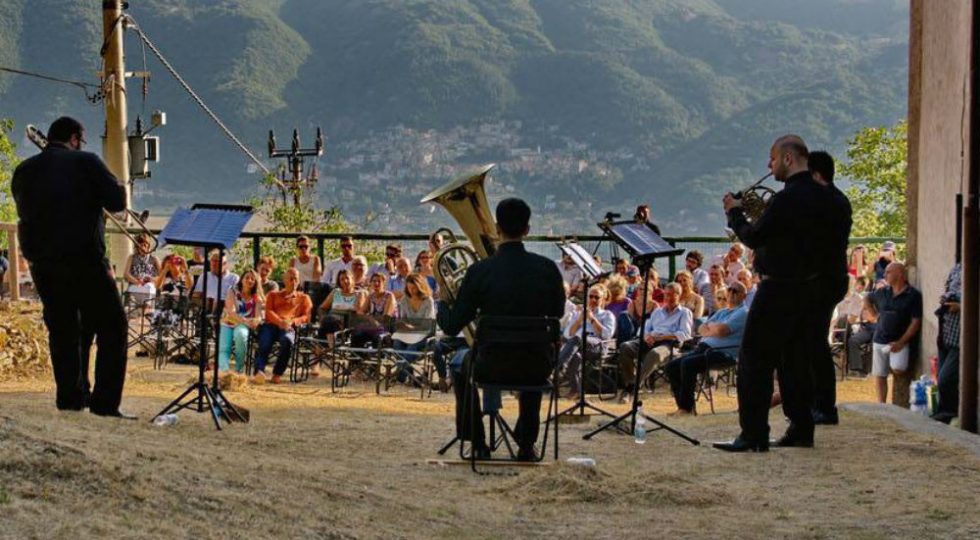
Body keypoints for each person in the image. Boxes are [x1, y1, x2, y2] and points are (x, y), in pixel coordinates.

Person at [714, 134, 833, 452]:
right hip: (811, 288)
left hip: (778, 286)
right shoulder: (825, 198)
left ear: (788, 159)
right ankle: (801, 428)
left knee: (754, 359)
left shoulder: (786, 199)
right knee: (795, 361)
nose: (770, 165)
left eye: (773, 158)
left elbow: (753, 236)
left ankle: (753, 433)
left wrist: (735, 212)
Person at [11, 116, 131, 417]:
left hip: (44, 265)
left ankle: (70, 400)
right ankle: (104, 404)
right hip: (85, 261)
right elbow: (117, 202)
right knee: (113, 327)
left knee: (63, 330)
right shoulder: (86, 162)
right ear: (75, 138)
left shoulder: (24, 170)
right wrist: (117, 184)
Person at [437, 198, 565, 461]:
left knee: (459, 365)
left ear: (497, 228)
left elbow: (451, 326)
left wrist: (443, 299)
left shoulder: (480, 271)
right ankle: (526, 444)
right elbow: (558, 313)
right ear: (527, 229)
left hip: (489, 365)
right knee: (532, 352)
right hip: (537, 367)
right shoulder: (547, 268)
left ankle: (477, 442)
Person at [806, 149, 853, 426]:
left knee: (815, 343)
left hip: (822, 279)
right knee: (813, 342)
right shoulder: (837, 199)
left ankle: (824, 406)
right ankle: (818, 403)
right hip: (829, 278)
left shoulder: (826, 201)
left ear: (814, 174)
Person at [663, 283, 749, 415]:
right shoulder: (722, 312)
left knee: (688, 364)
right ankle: (683, 407)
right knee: (671, 366)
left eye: (736, 291)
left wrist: (712, 328)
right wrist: (714, 328)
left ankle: (686, 408)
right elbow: (701, 328)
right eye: (730, 290)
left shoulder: (743, 312)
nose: (731, 293)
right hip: (704, 348)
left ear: (744, 296)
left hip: (724, 352)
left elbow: (722, 330)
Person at [617, 283, 693, 402]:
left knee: (655, 354)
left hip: (669, 343)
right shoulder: (657, 312)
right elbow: (643, 329)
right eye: (666, 295)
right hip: (650, 339)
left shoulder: (684, 312)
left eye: (671, 295)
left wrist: (662, 337)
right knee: (625, 346)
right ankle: (630, 382)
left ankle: (632, 388)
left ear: (678, 295)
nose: (667, 298)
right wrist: (647, 336)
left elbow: (685, 334)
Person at [869, 262, 922, 404]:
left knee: (899, 368)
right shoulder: (883, 292)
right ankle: (882, 405)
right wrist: (874, 314)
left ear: (900, 274)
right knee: (880, 374)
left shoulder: (913, 295)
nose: (884, 275)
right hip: (880, 339)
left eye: (888, 272)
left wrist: (901, 342)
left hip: (899, 341)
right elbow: (867, 298)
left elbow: (916, 322)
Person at [252, 268, 312, 385]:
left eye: (296, 279)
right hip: (271, 325)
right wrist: (280, 322)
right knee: (265, 341)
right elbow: (268, 311)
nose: (293, 282)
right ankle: (259, 371)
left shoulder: (304, 298)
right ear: (284, 280)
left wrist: (292, 322)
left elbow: (306, 317)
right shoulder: (273, 295)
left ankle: (277, 373)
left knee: (288, 340)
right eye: (290, 279)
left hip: (289, 327)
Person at [558, 283, 616, 400]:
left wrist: (592, 319)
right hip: (577, 345)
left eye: (597, 297)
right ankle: (576, 390)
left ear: (602, 299)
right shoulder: (578, 313)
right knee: (576, 356)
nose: (593, 300)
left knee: (578, 338)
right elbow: (567, 334)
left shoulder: (607, 315)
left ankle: (559, 368)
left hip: (598, 346)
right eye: (591, 296)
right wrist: (580, 320)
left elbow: (607, 335)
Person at [218, 269, 264, 376]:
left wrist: (256, 321)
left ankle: (239, 370)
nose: (250, 280)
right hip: (229, 321)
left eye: (252, 279)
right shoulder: (233, 291)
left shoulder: (257, 296)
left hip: (243, 325)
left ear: (255, 282)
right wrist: (246, 321)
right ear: (242, 279)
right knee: (224, 347)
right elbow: (231, 312)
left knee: (241, 336)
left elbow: (258, 316)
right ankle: (225, 372)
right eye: (247, 277)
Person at [931, 262, 961, 423]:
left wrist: (961, 307)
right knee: (941, 377)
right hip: (947, 331)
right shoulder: (958, 267)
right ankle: (944, 412)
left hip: (961, 338)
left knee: (946, 379)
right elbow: (948, 287)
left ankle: (950, 413)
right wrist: (945, 299)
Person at [847, 294, 878, 374]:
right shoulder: (862, 307)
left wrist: (872, 318)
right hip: (867, 329)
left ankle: (871, 370)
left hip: (879, 329)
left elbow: (876, 319)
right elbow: (852, 320)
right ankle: (856, 368)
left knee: (874, 344)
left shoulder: (881, 305)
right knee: (853, 340)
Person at [123, 233, 160, 297]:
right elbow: (126, 274)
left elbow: (162, 276)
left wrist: (151, 279)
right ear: (137, 246)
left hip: (149, 286)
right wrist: (136, 281)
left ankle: (147, 303)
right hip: (135, 285)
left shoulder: (154, 259)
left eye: (145, 245)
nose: (143, 248)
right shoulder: (132, 257)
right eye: (140, 245)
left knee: (149, 287)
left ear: (148, 246)